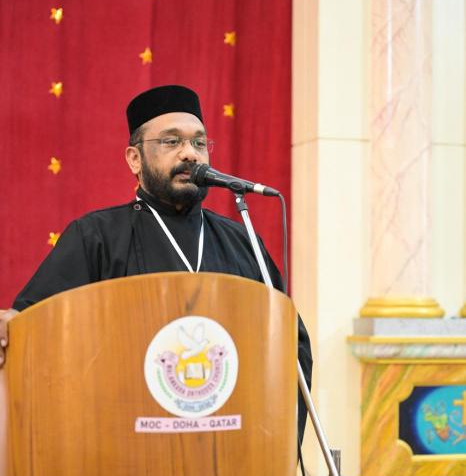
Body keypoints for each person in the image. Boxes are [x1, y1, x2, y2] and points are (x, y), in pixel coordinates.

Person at [0, 85, 311, 440]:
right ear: (135, 159)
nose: (190, 154)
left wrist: (273, 446)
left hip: (229, 446)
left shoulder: (241, 241)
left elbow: (291, 344)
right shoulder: (96, 237)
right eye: (171, 141)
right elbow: (31, 329)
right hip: (125, 448)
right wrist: (12, 324)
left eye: (199, 143)